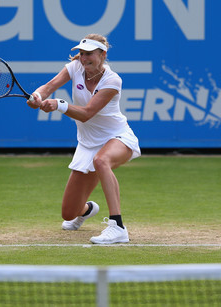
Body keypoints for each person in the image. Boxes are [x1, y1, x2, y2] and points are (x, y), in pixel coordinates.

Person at [27, 34, 140, 244]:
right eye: (81, 53)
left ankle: (117, 226)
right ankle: (87, 210)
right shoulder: (75, 67)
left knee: (101, 160)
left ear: (102, 54)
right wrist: (37, 96)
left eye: (89, 54)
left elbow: (88, 113)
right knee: (69, 214)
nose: (83, 58)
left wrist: (59, 105)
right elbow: (49, 86)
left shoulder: (113, 80)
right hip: (88, 144)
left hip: (117, 137)